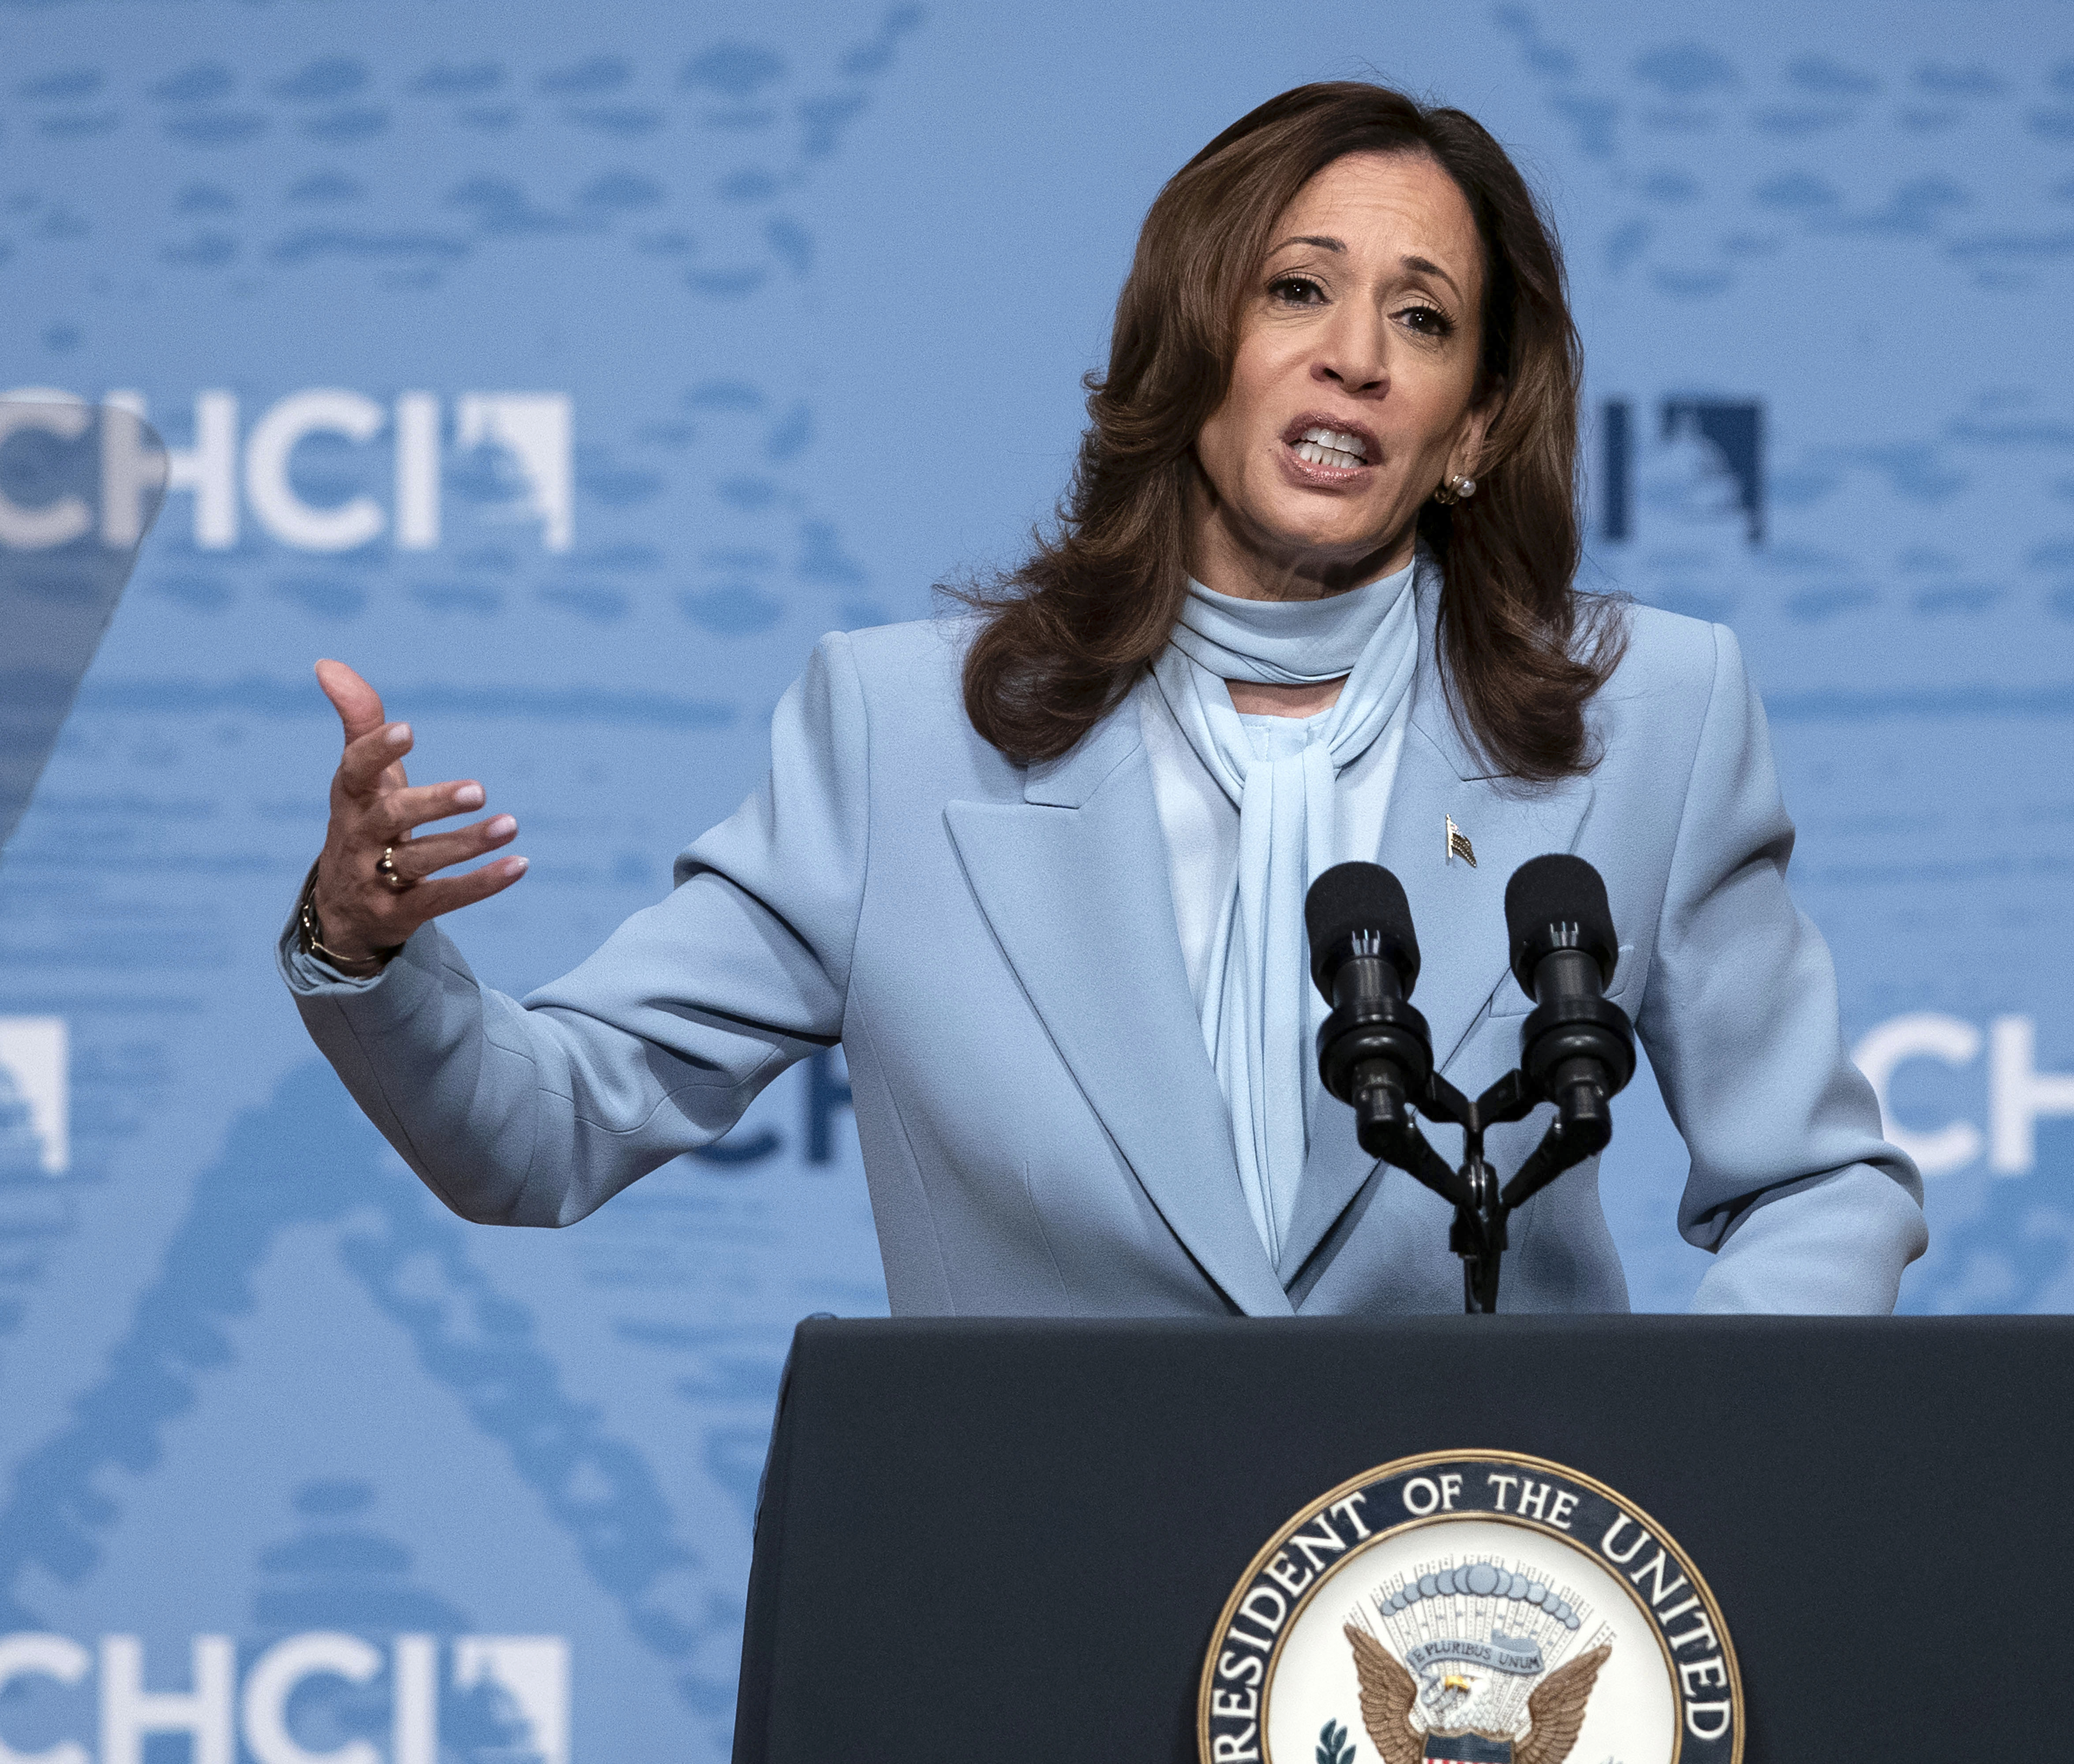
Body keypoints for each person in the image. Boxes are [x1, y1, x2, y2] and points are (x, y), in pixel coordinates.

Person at [282, 82, 1924, 1317]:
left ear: (1472, 428)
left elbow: (1823, 1186)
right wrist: (367, 949)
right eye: (1298, 290)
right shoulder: (899, 736)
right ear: (1191, 342)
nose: (1355, 353)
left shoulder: (1650, 719)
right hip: (1040, 1622)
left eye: (1421, 320)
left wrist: (1655, 1479)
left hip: (1473, 1647)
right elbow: (545, 1130)